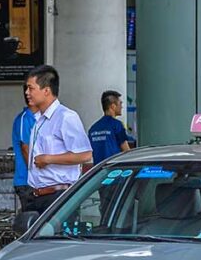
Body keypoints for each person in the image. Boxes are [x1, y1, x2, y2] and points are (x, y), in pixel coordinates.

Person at [24, 65, 92, 213]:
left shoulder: (66, 117)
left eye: (31, 88)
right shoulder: (39, 120)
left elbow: (85, 154)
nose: (27, 93)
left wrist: (49, 159)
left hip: (58, 197)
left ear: (46, 90)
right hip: (36, 195)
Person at [88, 90, 132, 166]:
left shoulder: (93, 128)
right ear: (113, 106)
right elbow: (126, 151)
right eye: (120, 103)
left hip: (98, 171)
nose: (121, 106)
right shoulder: (117, 125)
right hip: (114, 169)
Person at [12, 93, 36, 210]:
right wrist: (36, 175)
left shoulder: (41, 118)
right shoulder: (25, 118)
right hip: (27, 181)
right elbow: (25, 148)